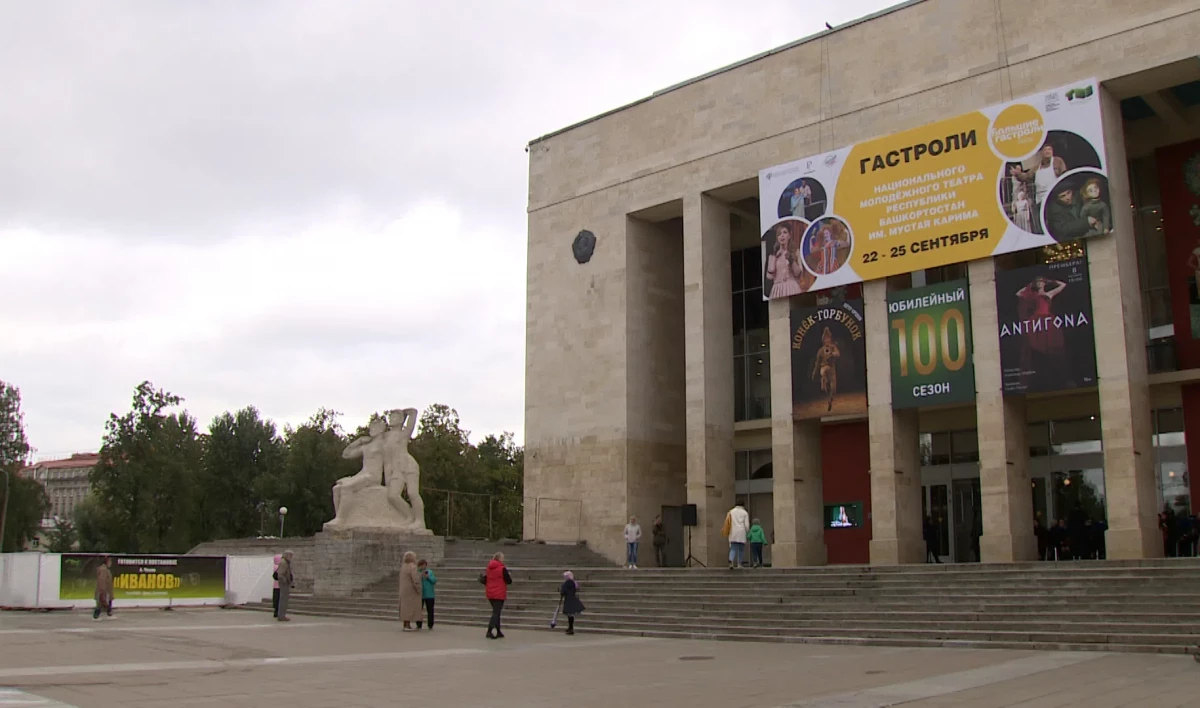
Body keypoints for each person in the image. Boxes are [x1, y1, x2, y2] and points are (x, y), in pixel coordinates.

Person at [484, 551, 513, 639]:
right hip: (499, 593)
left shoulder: (489, 568)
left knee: (497, 612)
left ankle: (498, 631)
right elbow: (509, 581)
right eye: (502, 558)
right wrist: (509, 575)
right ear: (499, 558)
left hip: (490, 592)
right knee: (496, 613)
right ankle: (489, 631)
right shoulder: (502, 568)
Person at [398, 551, 422, 632]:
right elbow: (415, 579)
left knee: (405, 607)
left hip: (403, 590)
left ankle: (405, 624)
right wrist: (419, 588)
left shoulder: (403, 566)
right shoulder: (413, 567)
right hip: (411, 590)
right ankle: (407, 625)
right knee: (410, 608)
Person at [723, 503, 750, 569]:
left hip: (733, 532)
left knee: (733, 548)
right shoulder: (745, 513)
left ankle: (731, 560)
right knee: (741, 549)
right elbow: (746, 525)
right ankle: (739, 563)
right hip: (741, 532)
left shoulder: (731, 512)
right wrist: (747, 532)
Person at [559, 570, 585, 635]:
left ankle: (571, 628)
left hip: (569, 600)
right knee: (570, 615)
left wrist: (562, 591)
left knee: (570, 615)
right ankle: (570, 627)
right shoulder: (573, 582)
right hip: (572, 598)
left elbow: (563, 591)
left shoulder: (567, 582)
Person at [275, 550, 294, 621]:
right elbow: (280, 574)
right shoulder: (283, 563)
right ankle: (281, 615)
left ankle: (282, 615)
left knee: (284, 599)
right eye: (291, 555)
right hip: (284, 584)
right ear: (287, 555)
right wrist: (285, 581)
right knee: (283, 600)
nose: (291, 557)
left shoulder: (285, 562)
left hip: (285, 583)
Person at [417, 559, 436, 630]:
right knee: (419, 610)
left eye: (424, 565)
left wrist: (428, 577)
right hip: (420, 595)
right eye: (422, 565)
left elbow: (434, 580)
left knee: (430, 610)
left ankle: (430, 624)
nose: (423, 567)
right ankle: (419, 624)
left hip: (429, 594)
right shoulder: (417, 572)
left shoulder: (430, 572)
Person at [93, 556, 114, 620]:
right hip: (104, 590)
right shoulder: (103, 570)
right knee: (101, 603)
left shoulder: (105, 569)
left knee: (105, 603)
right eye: (110, 561)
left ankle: (108, 613)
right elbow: (102, 580)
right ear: (106, 562)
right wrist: (102, 590)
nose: (111, 563)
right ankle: (97, 615)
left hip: (106, 590)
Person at [271, 554, 281, 618]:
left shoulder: (274, 566)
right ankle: (277, 612)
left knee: (275, 599)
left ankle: (275, 611)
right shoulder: (278, 567)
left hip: (275, 586)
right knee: (278, 599)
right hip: (279, 586)